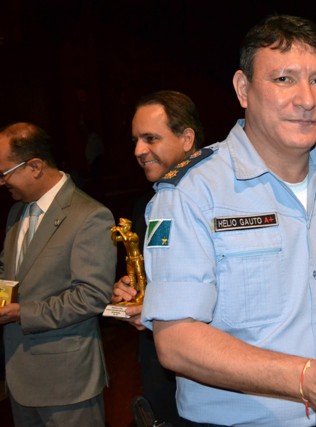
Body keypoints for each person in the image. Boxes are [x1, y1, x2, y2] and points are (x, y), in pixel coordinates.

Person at [140, 14, 316, 427]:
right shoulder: (192, 193)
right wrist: (305, 378)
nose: (307, 100)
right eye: (283, 79)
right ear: (243, 89)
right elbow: (176, 342)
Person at [0, 122, 116, 426]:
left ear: (35, 166)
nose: (2, 182)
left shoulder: (90, 215)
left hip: (67, 385)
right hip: (19, 378)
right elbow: (9, 274)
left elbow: (92, 296)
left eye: (5, 173)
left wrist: (23, 313)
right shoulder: (17, 211)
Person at [110, 89, 206, 427]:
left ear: (186, 139)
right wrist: (131, 291)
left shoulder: (222, 204)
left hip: (211, 386)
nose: (138, 150)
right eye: (136, 140)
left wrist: (156, 306)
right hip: (159, 380)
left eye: (151, 138)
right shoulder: (146, 206)